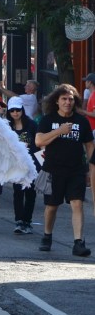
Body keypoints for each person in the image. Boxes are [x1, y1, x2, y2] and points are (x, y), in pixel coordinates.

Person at [35, 84, 93, 256]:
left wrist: (91, 170)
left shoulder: (81, 121)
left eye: (71, 99)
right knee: (52, 206)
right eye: (64, 99)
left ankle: (78, 242)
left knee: (77, 204)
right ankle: (47, 235)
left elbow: (89, 146)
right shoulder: (48, 120)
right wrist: (59, 131)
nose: (68, 102)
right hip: (53, 171)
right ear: (57, 101)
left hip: (76, 170)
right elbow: (39, 141)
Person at [6, 97, 39, 234]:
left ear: (22, 110)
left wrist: (41, 165)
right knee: (18, 192)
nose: (15, 113)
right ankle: (19, 220)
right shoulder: (7, 126)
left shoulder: (31, 125)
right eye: (12, 110)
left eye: (17, 110)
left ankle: (27, 221)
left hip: (31, 165)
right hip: (16, 165)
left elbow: (39, 144)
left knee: (31, 193)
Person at [78, 72, 95, 137]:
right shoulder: (91, 95)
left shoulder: (94, 96)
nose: (85, 83)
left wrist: (82, 111)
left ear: (90, 82)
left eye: (86, 81)